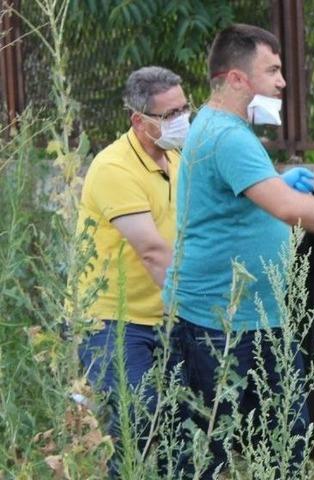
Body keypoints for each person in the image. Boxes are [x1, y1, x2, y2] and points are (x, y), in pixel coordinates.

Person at [162, 24, 314, 477]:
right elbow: (290, 208)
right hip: (225, 325)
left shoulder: (215, 127)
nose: (282, 82)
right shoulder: (228, 135)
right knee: (258, 448)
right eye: (271, 70)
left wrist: (274, 186)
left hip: (238, 318)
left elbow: (251, 200)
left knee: (261, 445)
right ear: (236, 79)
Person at [76, 66, 189, 476]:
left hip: (164, 316)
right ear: (138, 121)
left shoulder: (177, 157)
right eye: (169, 115)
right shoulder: (114, 168)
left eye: (184, 108)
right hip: (114, 322)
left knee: (185, 428)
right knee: (137, 423)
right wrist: (203, 306)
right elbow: (153, 251)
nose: (182, 120)